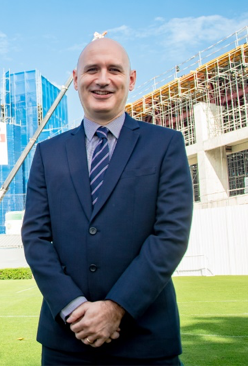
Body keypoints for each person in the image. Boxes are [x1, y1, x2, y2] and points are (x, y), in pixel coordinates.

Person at [22, 37, 193, 365]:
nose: (102, 79)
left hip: (146, 340)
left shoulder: (165, 145)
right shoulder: (48, 153)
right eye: (92, 70)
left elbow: (171, 234)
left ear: (130, 79)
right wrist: (74, 308)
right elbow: (35, 238)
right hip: (66, 342)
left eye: (114, 69)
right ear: (75, 79)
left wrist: (117, 307)